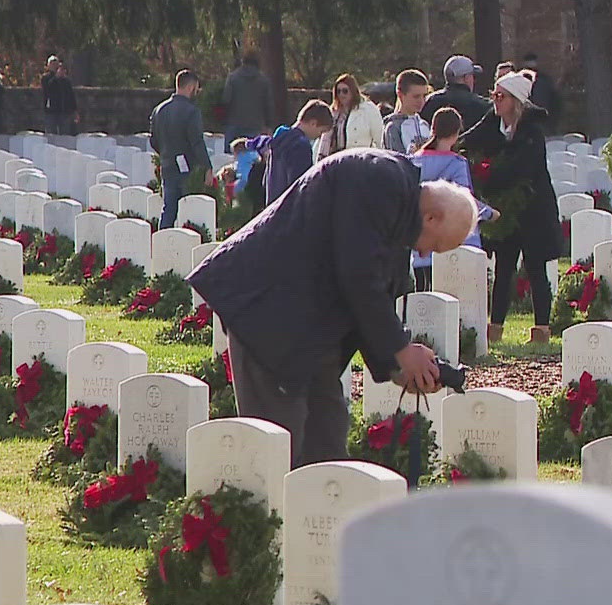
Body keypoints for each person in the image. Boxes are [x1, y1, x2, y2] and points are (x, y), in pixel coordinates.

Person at [188, 150, 478, 466]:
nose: (425, 252)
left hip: (312, 331)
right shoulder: (380, 179)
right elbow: (358, 274)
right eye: (435, 245)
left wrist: (396, 367)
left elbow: (367, 299)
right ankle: (272, 515)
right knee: (278, 449)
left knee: (327, 442)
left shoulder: (398, 219)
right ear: (431, 217)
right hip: (268, 315)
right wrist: (401, 350)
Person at [461, 69, 564, 344]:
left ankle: (541, 329)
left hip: (533, 209)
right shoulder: (492, 122)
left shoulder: (532, 132)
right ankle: (495, 328)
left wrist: (488, 175)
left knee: (535, 268)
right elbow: (466, 142)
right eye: (493, 94)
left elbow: (522, 168)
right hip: (504, 210)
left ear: (515, 100)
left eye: (501, 96)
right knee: (503, 268)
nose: (494, 100)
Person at [406, 107, 493, 290]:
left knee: (423, 289)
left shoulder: (414, 160)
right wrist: (489, 213)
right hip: (449, 240)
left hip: (420, 237)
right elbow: (464, 201)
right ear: (456, 133)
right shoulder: (456, 163)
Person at [150, 69, 211, 230]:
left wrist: (165, 155)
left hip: (167, 165)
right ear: (191, 87)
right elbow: (197, 142)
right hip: (188, 168)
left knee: (169, 208)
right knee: (190, 208)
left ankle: (162, 241)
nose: (196, 93)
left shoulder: (159, 110)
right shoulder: (192, 111)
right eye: (196, 89)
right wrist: (207, 167)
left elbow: (154, 140)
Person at [252, 100, 334, 210]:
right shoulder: (301, 146)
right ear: (313, 123)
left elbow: (265, 180)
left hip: (273, 206)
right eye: (321, 131)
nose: (319, 137)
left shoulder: (279, 140)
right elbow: (300, 184)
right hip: (291, 211)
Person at [317, 73, 383, 158]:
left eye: (345, 91)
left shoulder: (368, 109)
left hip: (360, 159)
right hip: (335, 159)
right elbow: (325, 139)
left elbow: (379, 139)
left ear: (353, 91)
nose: (341, 94)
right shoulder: (334, 112)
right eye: (338, 91)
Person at [422, 55, 491, 129]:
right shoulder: (484, 105)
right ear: (466, 78)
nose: (473, 80)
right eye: (472, 76)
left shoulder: (428, 102)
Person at [222, 53, 274, 146]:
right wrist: (268, 125)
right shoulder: (264, 81)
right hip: (255, 125)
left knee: (230, 157)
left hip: (234, 124)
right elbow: (268, 105)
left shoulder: (232, 78)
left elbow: (226, 100)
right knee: (254, 156)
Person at [382, 68, 432, 154]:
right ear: (400, 95)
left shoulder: (424, 125)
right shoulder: (393, 127)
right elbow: (396, 163)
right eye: (416, 96)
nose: (421, 101)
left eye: (424, 96)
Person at [521, 52, 563, 125]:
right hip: (533, 121)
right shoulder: (544, 80)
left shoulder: (544, 81)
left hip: (540, 121)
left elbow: (555, 101)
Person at [40, 56, 79, 134]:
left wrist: (74, 111)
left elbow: (70, 95)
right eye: (52, 64)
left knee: (65, 133)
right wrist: (56, 77)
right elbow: (47, 90)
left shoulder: (65, 81)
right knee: (51, 133)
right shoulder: (46, 78)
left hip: (64, 111)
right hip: (51, 111)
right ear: (48, 65)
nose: (54, 66)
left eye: (56, 64)